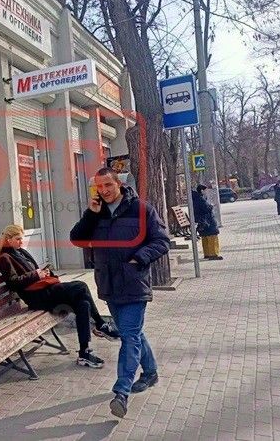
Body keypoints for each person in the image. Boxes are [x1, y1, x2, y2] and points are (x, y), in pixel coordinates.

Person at [70, 168, 170, 419]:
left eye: (108, 185)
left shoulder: (142, 209)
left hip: (134, 284)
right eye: (99, 186)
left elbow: (161, 241)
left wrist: (139, 259)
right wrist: (90, 215)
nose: (104, 191)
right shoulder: (97, 212)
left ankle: (121, 392)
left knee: (129, 336)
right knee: (133, 332)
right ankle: (150, 373)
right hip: (109, 285)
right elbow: (76, 238)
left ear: (119, 184)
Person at [0, 225, 119, 370]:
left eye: (21, 239)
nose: (21, 242)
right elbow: (13, 283)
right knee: (80, 286)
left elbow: (35, 272)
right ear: (9, 240)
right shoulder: (5, 258)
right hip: (37, 297)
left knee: (83, 304)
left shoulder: (21, 252)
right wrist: (36, 275)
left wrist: (45, 273)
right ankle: (100, 324)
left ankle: (84, 352)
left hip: (45, 290)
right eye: (18, 239)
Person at [192, 185, 223, 260]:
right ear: (202, 191)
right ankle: (213, 254)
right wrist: (211, 206)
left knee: (205, 236)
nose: (206, 192)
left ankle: (207, 253)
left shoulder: (195, 198)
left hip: (202, 220)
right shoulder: (200, 199)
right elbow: (206, 208)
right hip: (207, 220)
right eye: (205, 190)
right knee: (212, 235)